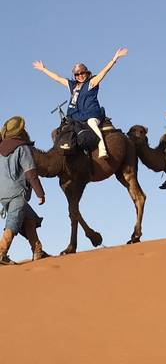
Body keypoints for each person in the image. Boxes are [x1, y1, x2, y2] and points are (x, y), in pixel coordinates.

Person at [33, 48, 128, 158]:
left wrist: (115, 58)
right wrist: (44, 69)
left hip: (92, 113)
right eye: (77, 74)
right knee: (64, 129)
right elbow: (58, 78)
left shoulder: (92, 82)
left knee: (92, 123)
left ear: (87, 73)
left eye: (82, 73)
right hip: (76, 115)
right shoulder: (72, 85)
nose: (80, 76)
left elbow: (104, 72)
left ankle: (102, 149)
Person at [0, 116, 48, 265]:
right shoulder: (22, 148)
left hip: (3, 194)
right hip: (17, 194)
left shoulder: (0, 149)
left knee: (29, 219)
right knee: (13, 222)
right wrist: (40, 193)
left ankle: (37, 250)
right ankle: (1, 252)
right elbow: (31, 173)